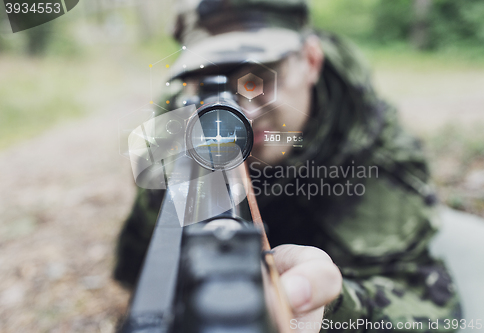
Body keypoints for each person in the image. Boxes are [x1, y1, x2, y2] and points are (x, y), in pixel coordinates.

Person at [114, 0, 461, 331]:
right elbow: (143, 258)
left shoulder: (370, 145)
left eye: (257, 80)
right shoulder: (175, 125)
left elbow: (429, 304)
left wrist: (328, 311)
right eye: (211, 84)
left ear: (310, 60)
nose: (242, 114)